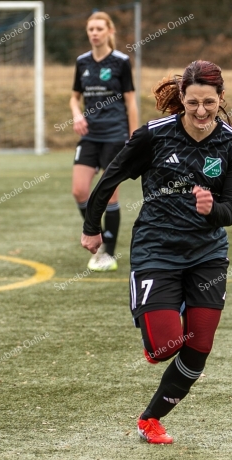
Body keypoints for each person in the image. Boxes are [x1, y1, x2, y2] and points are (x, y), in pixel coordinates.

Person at [80, 60, 232, 444]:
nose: (201, 111)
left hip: (208, 254)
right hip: (156, 250)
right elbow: (110, 178)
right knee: (163, 348)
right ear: (182, 99)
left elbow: (231, 212)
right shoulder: (154, 136)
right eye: (193, 103)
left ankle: (151, 419)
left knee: (199, 346)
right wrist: (92, 227)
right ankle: (162, 315)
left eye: (209, 102)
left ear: (221, 98)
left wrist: (212, 209)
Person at [71, 11, 138, 272]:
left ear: (110, 31)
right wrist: (77, 114)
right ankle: (95, 236)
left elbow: (130, 102)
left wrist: (133, 138)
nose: (94, 33)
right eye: (91, 29)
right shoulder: (82, 62)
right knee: (79, 190)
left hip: (115, 135)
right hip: (90, 136)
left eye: (99, 28)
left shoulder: (121, 62)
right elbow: (74, 97)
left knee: (109, 194)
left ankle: (107, 254)